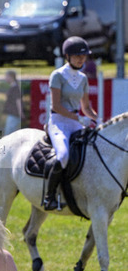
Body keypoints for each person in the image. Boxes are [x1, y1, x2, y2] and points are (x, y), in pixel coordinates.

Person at [44, 36, 98, 211]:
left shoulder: (83, 78)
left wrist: (97, 119)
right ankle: (49, 197)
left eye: (84, 55)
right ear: (67, 56)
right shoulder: (57, 75)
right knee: (63, 155)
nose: (81, 59)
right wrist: (79, 118)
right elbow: (56, 106)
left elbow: (86, 107)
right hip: (59, 122)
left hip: (75, 122)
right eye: (77, 56)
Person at [2, 70, 24, 135]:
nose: (5, 78)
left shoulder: (15, 88)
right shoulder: (13, 87)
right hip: (12, 114)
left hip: (14, 114)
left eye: (6, 76)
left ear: (11, 77)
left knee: (8, 134)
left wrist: (20, 113)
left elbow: (18, 101)